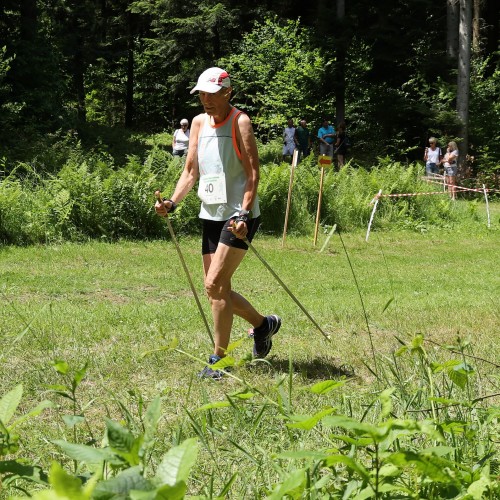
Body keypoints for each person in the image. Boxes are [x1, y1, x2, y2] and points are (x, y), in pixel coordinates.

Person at [155, 67, 281, 380]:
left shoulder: (241, 121)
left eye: (212, 93)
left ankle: (218, 360)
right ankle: (263, 325)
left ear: (228, 93)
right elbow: (190, 172)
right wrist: (172, 201)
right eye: (202, 94)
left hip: (239, 216)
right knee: (217, 290)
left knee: (213, 285)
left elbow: (253, 174)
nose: (206, 100)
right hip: (210, 213)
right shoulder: (197, 123)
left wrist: (243, 213)